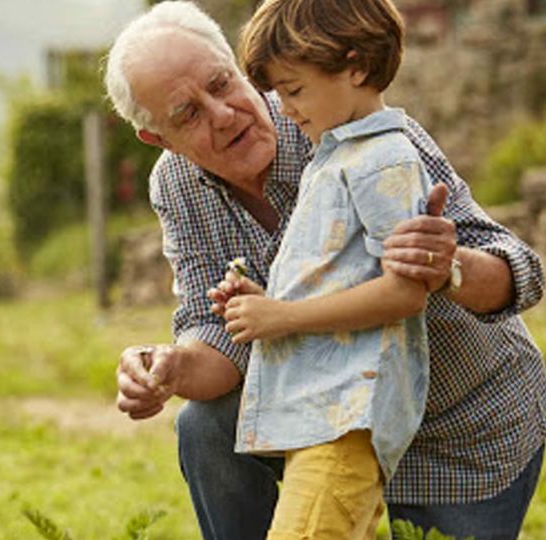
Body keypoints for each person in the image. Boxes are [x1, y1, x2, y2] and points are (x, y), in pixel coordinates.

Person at [104, 2, 546, 539]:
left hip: (456, 424)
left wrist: (446, 265)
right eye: (187, 115)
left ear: (239, 67)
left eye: (222, 85)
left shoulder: (351, 126)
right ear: (158, 139)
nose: (222, 115)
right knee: (205, 424)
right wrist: (171, 367)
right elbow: (217, 332)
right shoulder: (175, 185)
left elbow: (520, 270)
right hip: (328, 420)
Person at [211, 0, 434, 537]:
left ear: (355, 67)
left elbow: (406, 294)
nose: (284, 109)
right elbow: (341, 279)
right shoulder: (334, 156)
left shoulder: (385, 159)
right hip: (322, 416)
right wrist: (261, 300)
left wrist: (281, 317)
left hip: (348, 418)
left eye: (295, 90)